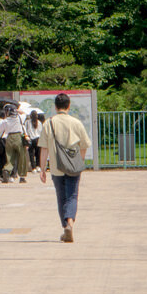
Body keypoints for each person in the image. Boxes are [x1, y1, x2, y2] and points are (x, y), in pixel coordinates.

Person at [40, 92, 92, 243]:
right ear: (68, 106)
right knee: (72, 196)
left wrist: (42, 169)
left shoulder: (48, 124)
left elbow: (44, 149)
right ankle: (70, 223)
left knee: (61, 197)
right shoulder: (76, 123)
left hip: (56, 167)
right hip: (73, 167)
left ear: (55, 107)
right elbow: (84, 145)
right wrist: (79, 161)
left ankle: (65, 228)